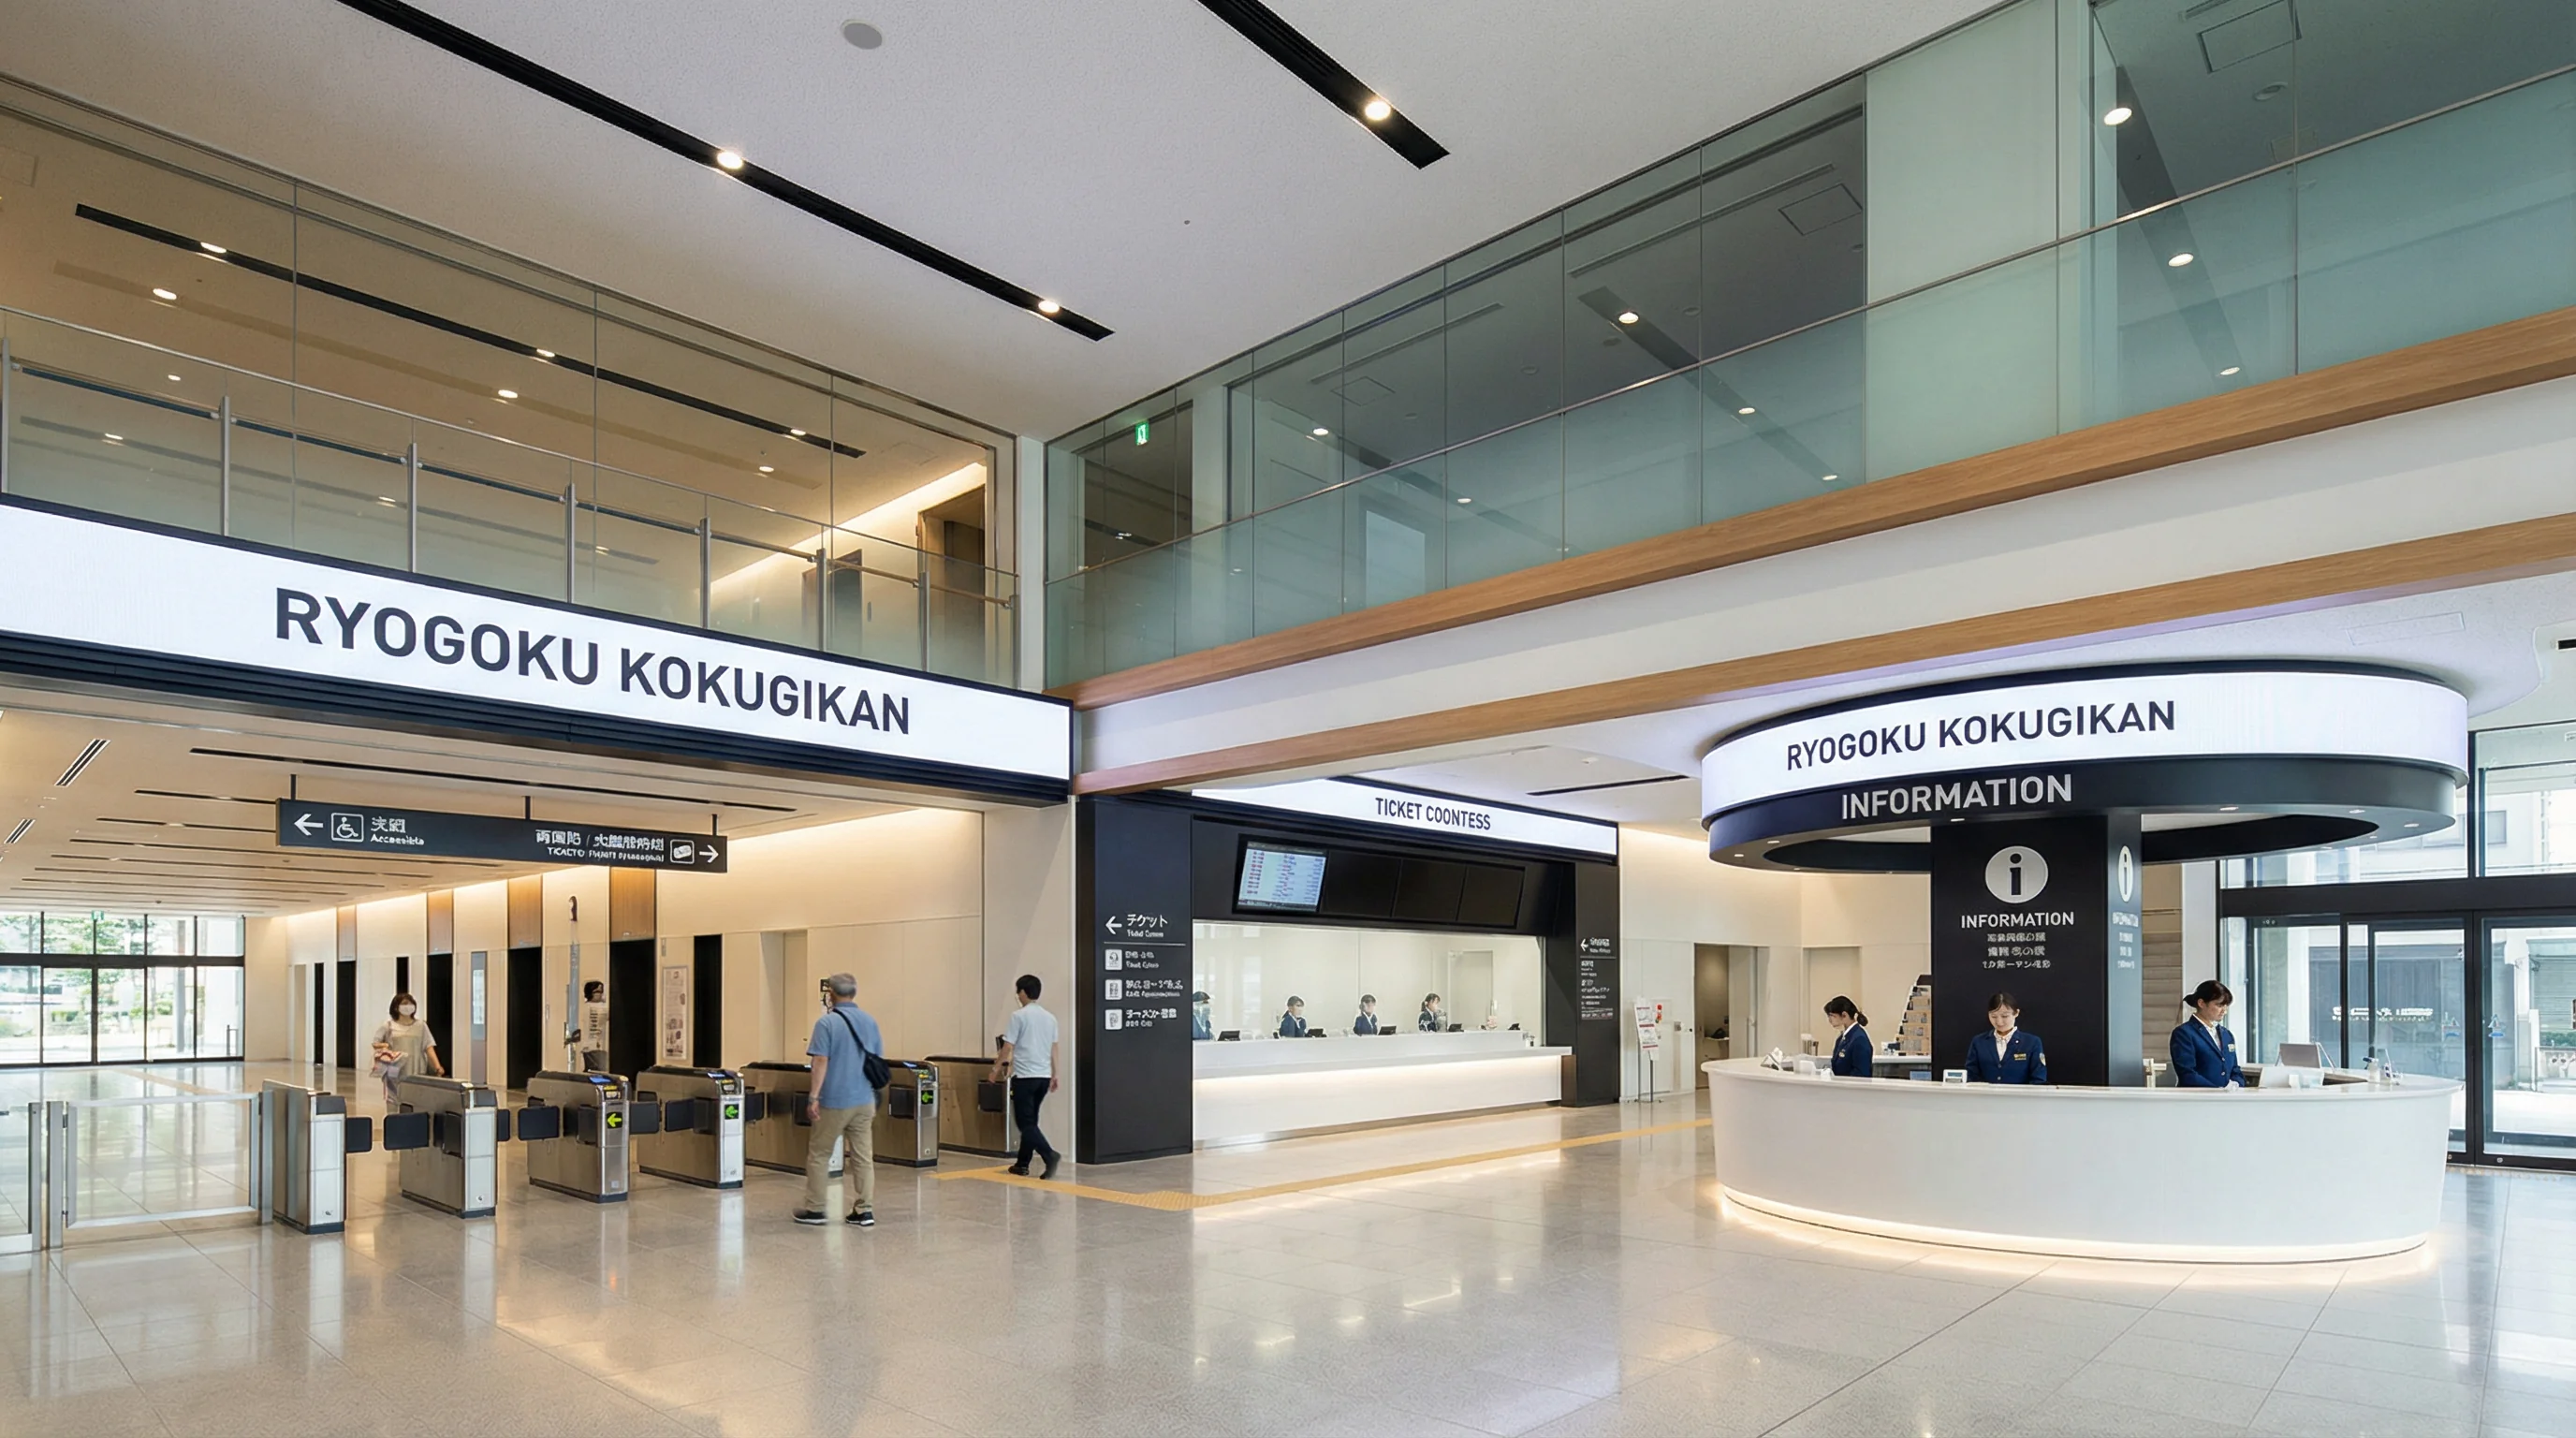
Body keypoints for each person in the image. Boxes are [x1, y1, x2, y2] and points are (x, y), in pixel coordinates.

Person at [796, 973, 883, 1227]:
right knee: (863, 1157)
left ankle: (815, 1209)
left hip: (835, 1100)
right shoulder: (869, 1021)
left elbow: (820, 1060)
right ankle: (864, 1210)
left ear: (831, 994)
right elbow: (877, 1057)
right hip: (865, 1099)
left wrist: (813, 1096)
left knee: (820, 1154)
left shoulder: (827, 1023)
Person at [993, 974, 1061, 1180]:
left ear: (1023, 992)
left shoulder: (1019, 1016)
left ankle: (1050, 1155)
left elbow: (1008, 1046)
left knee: (1025, 1123)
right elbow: (1054, 1048)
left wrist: (995, 1069)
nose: (1018, 995)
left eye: (1018, 991)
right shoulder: (1050, 1018)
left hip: (1025, 1077)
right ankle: (1022, 1164)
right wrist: (1056, 1073)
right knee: (1031, 1121)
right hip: (1043, 1077)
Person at [2171, 979, 2246, 1089]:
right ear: (2201, 1003)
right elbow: (2187, 1074)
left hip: (2227, 1100)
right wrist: (2217, 1091)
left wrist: (2236, 1084)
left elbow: (2235, 1069)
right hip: (2198, 1099)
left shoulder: (2227, 1035)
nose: (2224, 1011)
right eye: (2219, 1005)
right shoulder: (2184, 1033)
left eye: (2226, 1006)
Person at [370, 992, 443, 1105]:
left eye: (411, 1004)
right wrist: (385, 1046)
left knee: (416, 1100)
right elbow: (376, 1043)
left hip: (416, 1068)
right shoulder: (389, 1026)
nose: (408, 1006)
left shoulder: (421, 1025)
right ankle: (394, 1120)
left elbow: (429, 1046)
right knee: (394, 1098)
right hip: (395, 1069)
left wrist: (437, 1066)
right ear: (396, 1007)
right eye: (404, 1004)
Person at [1964, 991, 2047, 1084]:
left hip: (2020, 1097)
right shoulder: (1979, 1042)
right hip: (1985, 1097)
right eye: (1993, 1016)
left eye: (2005, 1016)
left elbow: (2038, 1079)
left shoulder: (2032, 1042)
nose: (1999, 1022)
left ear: (2016, 1013)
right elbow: (1971, 1075)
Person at [1823, 995, 1873, 1078]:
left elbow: (1861, 1074)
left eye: (1832, 1016)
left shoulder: (1859, 1039)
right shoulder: (1842, 1038)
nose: (1830, 1020)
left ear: (1844, 1015)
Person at [578, 980, 609, 1073]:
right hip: (589, 1046)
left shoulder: (604, 1007)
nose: (599, 994)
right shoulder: (585, 1007)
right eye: (596, 992)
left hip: (601, 1046)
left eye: (601, 992)